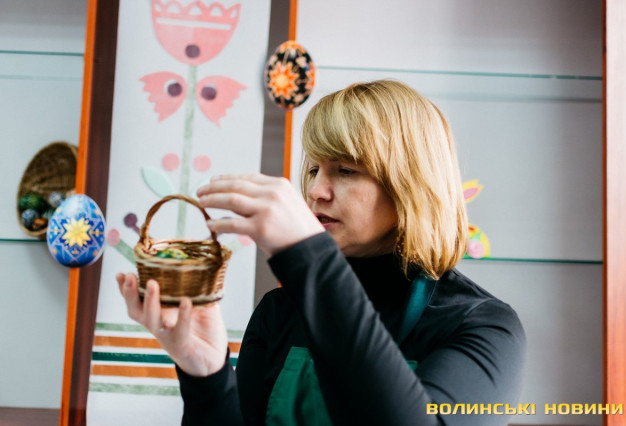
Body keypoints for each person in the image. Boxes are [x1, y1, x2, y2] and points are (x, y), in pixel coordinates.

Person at [117, 79, 526, 425]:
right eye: (313, 169)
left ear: (412, 184)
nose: (315, 191)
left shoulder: (484, 327)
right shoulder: (279, 312)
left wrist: (309, 256)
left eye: (345, 170)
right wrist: (206, 375)